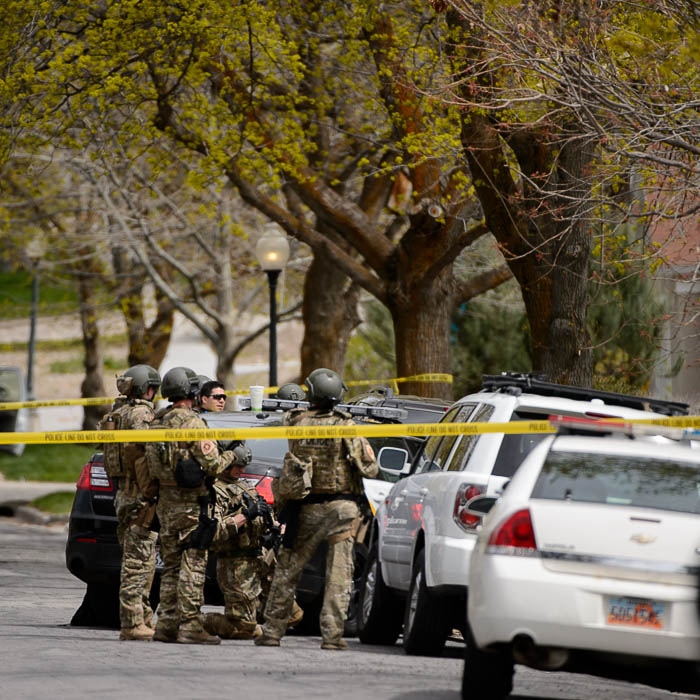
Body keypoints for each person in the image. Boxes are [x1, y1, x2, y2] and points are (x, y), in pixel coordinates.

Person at [255, 368, 378, 650]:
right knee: (339, 574)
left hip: (306, 508)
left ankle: (272, 631)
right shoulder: (346, 427)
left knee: (287, 570)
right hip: (342, 510)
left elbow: (283, 419)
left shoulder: (296, 422)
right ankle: (332, 637)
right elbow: (369, 468)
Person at [146, 366, 241, 645]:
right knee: (194, 564)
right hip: (190, 505)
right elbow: (212, 464)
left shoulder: (158, 421)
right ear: (191, 392)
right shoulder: (192, 424)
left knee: (171, 566)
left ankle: (166, 624)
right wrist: (232, 456)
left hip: (165, 503)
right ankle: (189, 625)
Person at [100, 364, 162, 642]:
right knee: (138, 563)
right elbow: (147, 453)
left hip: (123, 493)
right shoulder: (141, 415)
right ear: (148, 389)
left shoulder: (117, 412)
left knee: (137, 558)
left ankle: (144, 617)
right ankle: (132, 622)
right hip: (139, 494)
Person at [202, 450, 277, 640]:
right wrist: (246, 515)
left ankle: (257, 622)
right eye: (238, 466)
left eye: (244, 466)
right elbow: (214, 532)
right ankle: (196, 620)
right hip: (233, 564)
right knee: (243, 629)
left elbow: (265, 517)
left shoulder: (244, 487)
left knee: (292, 613)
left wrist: (272, 526)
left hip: (256, 560)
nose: (241, 470)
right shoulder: (214, 490)